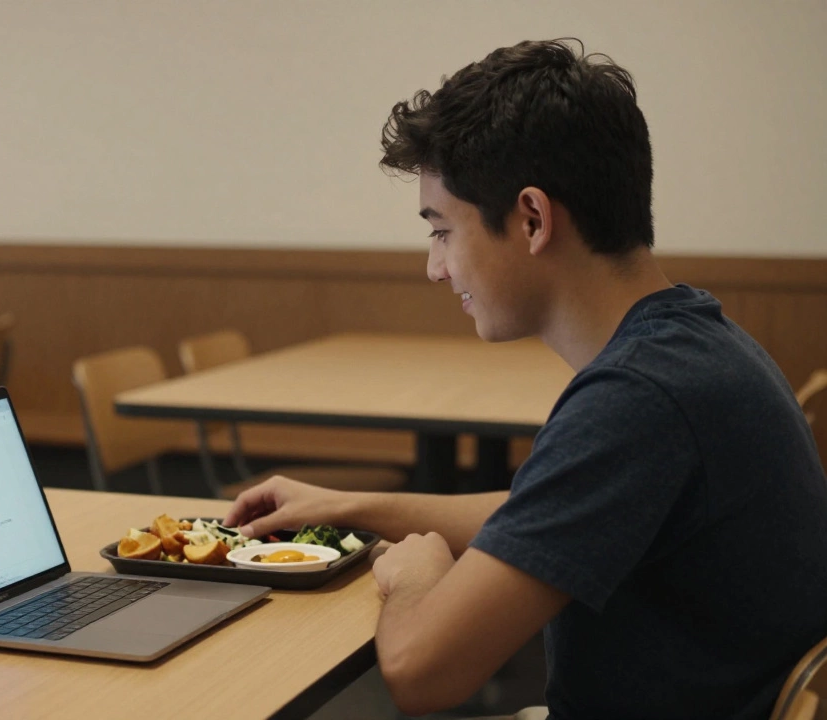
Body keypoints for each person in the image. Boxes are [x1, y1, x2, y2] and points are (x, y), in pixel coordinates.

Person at [224, 39, 827, 720]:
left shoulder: (639, 400)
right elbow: (542, 516)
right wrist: (346, 506)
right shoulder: (691, 343)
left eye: (442, 231)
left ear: (533, 219)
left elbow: (420, 672)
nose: (436, 267)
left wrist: (415, 578)